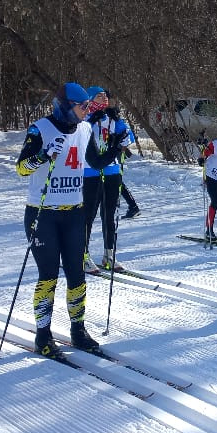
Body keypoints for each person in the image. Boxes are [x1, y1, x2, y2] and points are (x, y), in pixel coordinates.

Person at [15, 82, 125, 358]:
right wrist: (42, 155)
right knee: (48, 276)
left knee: (77, 275)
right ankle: (43, 335)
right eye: (83, 106)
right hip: (43, 214)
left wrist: (116, 149)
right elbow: (21, 168)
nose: (88, 111)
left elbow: (96, 163)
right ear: (66, 106)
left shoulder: (85, 129)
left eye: (89, 106)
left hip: (74, 212)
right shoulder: (40, 129)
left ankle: (78, 330)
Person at [81, 87, 136, 273]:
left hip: (112, 169)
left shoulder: (111, 118)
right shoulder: (85, 117)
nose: (104, 98)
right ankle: (83, 255)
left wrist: (121, 133)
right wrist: (90, 120)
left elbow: (129, 137)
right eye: (99, 96)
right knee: (88, 215)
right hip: (90, 172)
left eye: (105, 95)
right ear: (89, 99)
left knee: (109, 214)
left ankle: (109, 253)